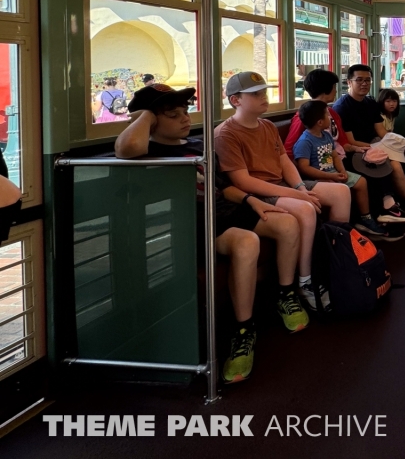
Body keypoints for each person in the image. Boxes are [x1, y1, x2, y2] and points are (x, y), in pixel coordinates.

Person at [113, 83, 308, 384]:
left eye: (185, 112)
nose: (184, 119)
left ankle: (286, 294)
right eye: (172, 114)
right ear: (152, 119)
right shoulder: (148, 148)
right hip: (189, 222)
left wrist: (250, 199)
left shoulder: (197, 145)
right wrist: (147, 118)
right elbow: (126, 148)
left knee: (287, 223)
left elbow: (221, 186)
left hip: (222, 210)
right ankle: (244, 329)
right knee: (247, 241)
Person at [216, 71, 351, 313]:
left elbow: (284, 162)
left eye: (264, 93)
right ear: (236, 100)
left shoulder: (267, 126)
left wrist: (299, 187)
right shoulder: (226, 133)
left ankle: (336, 264)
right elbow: (243, 181)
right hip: (260, 192)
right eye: (256, 95)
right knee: (306, 209)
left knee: (341, 192)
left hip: (283, 184)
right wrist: (298, 195)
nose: (264, 98)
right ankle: (305, 279)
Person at [285, 69, 395, 238]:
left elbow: (343, 143)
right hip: (316, 167)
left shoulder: (332, 113)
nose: (336, 90)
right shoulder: (305, 116)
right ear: (327, 89)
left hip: (337, 160)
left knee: (371, 168)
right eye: (334, 87)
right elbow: (289, 149)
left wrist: (359, 149)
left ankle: (372, 215)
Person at [334, 64, 405, 223]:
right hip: (359, 151)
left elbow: (381, 132)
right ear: (349, 82)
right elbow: (351, 141)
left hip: (378, 144)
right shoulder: (342, 107)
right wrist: (381, 148)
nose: (364, 83)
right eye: (359, 80)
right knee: (395, 165)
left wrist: (396, 145)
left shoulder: (370, 103)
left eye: (368, 80)